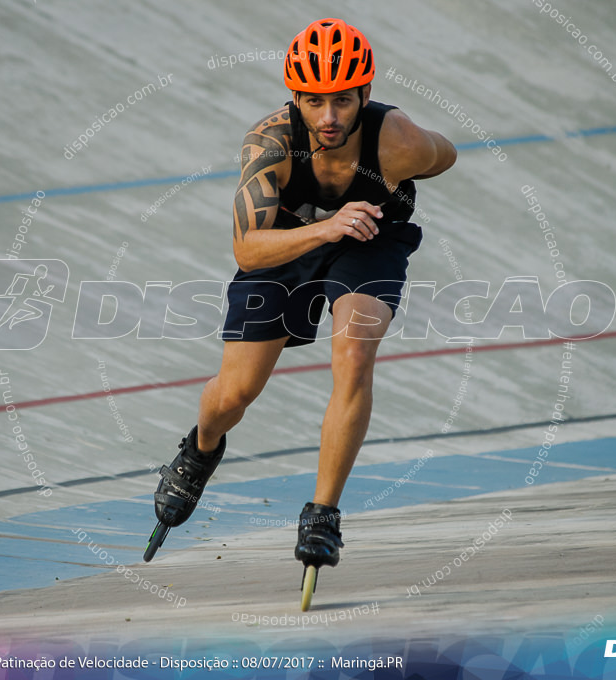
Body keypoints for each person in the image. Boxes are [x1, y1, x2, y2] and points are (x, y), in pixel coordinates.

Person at [152, 17, 456, 571]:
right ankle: (200, 450)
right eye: (315, 103)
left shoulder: (399, 142)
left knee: (354, 354)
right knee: (235, 394)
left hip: (368, 239)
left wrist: (386, 189)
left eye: (343, 101)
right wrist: (326, 225)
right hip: (287, 242)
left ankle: (323, 512)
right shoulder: (268, 143)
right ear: (295, 96)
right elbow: (247, 250)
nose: (330, 118)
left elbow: (447, 154)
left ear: (365, 93)